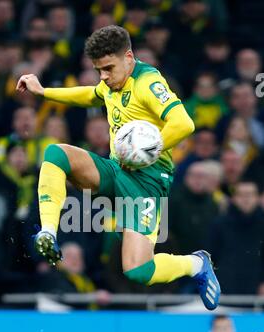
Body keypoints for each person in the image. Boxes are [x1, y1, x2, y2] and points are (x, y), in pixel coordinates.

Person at [16, 25, 221, 310]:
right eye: (99, 69)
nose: (104, 76)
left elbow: (184, 123)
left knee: (139, 271)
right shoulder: (112, 81)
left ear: (128, 56)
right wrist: (44, 91)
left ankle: (196, 263)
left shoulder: (148, 83)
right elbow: (90, 94)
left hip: (146, 182)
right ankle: (49, 230)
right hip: (116, 170)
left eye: (108, 68)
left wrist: (149, 148)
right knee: (56, 153)